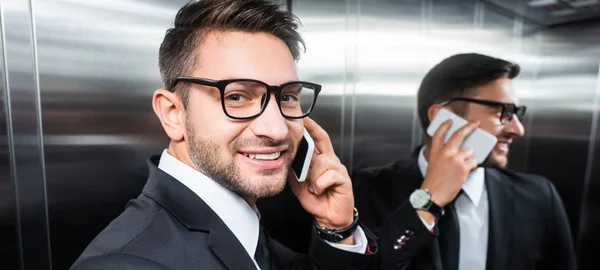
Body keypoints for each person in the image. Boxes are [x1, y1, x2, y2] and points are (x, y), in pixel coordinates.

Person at [70, 0, 382, 269]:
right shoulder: (127, 263)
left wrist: (337, 229)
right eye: (236, 96)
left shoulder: (237, 218)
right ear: (173, 114)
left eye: (287, 96)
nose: (276, 130)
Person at [353, 53, 577, 270]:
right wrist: (428, 199)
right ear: (443, 115)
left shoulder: (538, 197)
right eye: (503, 112)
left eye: (517, 113)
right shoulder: (366, 190)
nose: (517, 129)